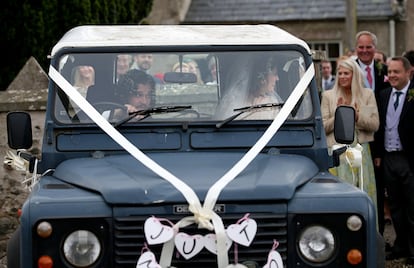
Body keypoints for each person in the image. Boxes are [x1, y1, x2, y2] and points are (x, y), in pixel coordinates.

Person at [321, 58, 379, 219]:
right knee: (337, 196)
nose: (342, 76)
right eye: (339, 73)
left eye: (346, 73)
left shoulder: (367, 95)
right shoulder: (328, 96)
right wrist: (340, 114)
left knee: (361, 191)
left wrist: (357, 116)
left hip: (360, 153)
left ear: (354, 75)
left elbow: (375, 125)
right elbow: (323, 127)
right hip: (337, 155)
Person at [373, 56, 414, 264]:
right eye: (390, 72)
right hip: (389, 157)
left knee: (412, 206)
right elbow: (380, 128)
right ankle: (400, 246)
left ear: (409, 73)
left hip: (408, 158)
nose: (392, 75)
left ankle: (413, 250)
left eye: (396, 72)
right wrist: (379, 154)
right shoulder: (384, 94)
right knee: (396, 205)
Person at [355, 30, 390, 234]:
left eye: (369, 47)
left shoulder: (384, 71)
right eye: (361, 47)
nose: (365, 51)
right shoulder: (349, 71)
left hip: (382, 136)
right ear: (356, 47)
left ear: (374, 49)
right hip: (358, 136)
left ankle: (378, 235)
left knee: (379, 189)